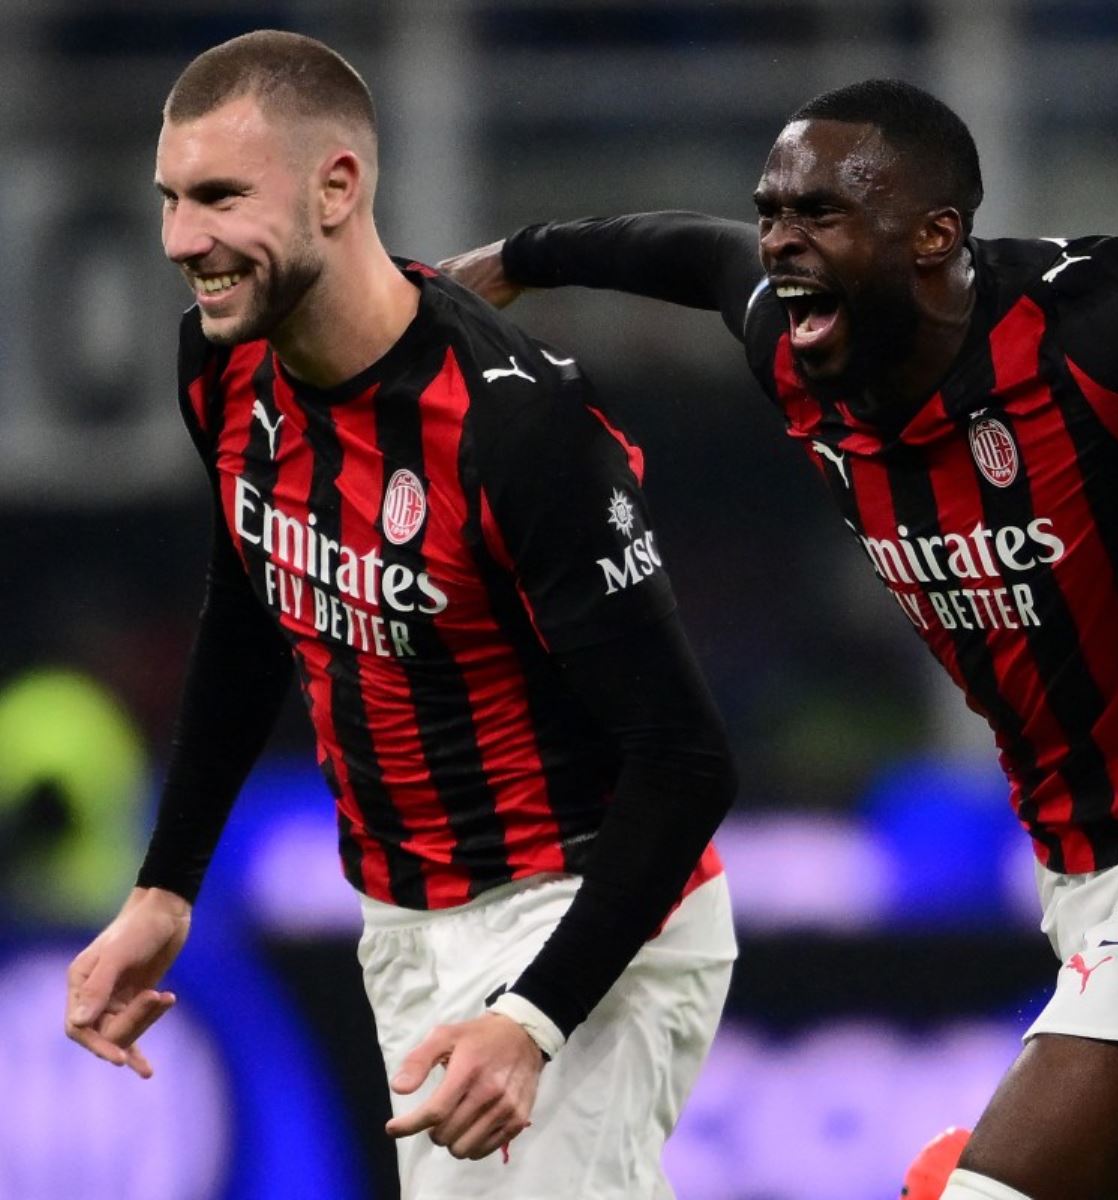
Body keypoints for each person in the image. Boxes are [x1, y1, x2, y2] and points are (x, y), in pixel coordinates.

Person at [441, 80, 1118, 1200]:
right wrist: (525, 254)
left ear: (934, 237)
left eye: (820, 214)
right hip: (1082, 869)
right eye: (775, 211)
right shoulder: (788, 339)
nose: (782, 241)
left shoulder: (1098, 334)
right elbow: (686, 250)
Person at [62, 30, 737, 1199]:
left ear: (338, 187)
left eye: (221, 197)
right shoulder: (222, 365)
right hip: (401, 920)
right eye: (170, 200)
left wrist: (532, 1018)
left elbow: (686, 763)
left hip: (573, 911)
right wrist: (166, 886)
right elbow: (252, 598)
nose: (182, 241)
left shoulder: (515, 432)